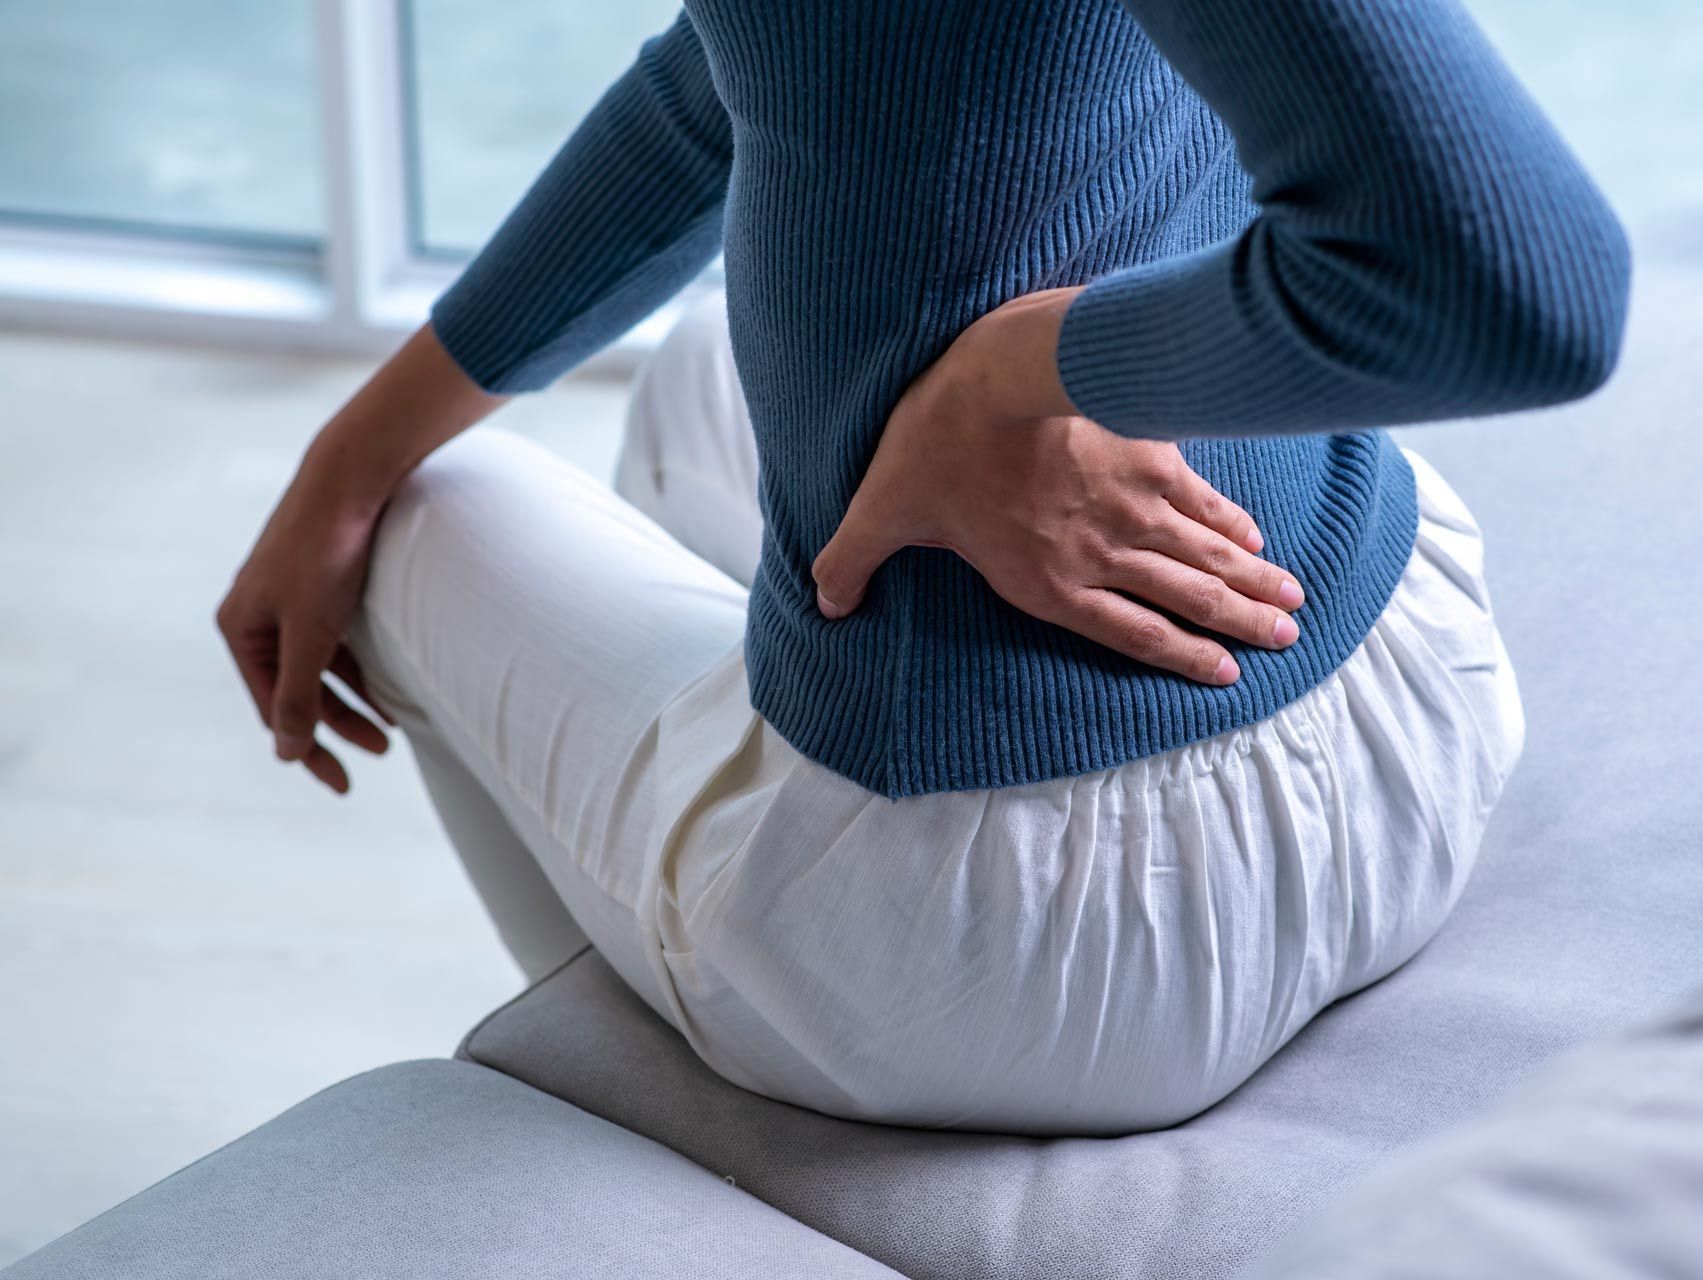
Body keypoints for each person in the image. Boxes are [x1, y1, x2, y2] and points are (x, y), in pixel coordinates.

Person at [218, 0, 1630, 1135]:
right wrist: (337, 457)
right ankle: (712, 902)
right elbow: (733, 70)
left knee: (429, 506)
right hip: (1404, 697)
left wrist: (1009, 381)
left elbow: (1523, 287)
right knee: (701, 376)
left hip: (1030, 937)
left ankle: (663, 1089)